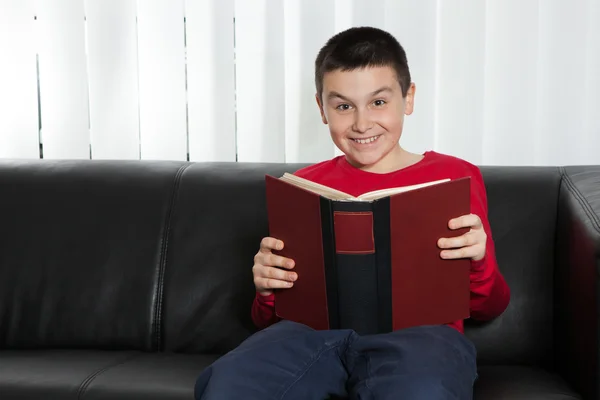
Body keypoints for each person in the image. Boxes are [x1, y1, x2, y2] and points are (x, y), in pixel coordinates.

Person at [194, 26, 510, 400]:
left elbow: (489, 307)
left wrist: (478, 259)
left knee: (420, 391)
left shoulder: (455, 176)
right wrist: (266, 289)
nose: (361, 123)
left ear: (408, 98)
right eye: (343, 105)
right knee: (228, 383)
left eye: (378, 102)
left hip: (421, 338)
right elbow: (267, 320)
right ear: (322, 109)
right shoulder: (302, 186)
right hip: (308, 336)